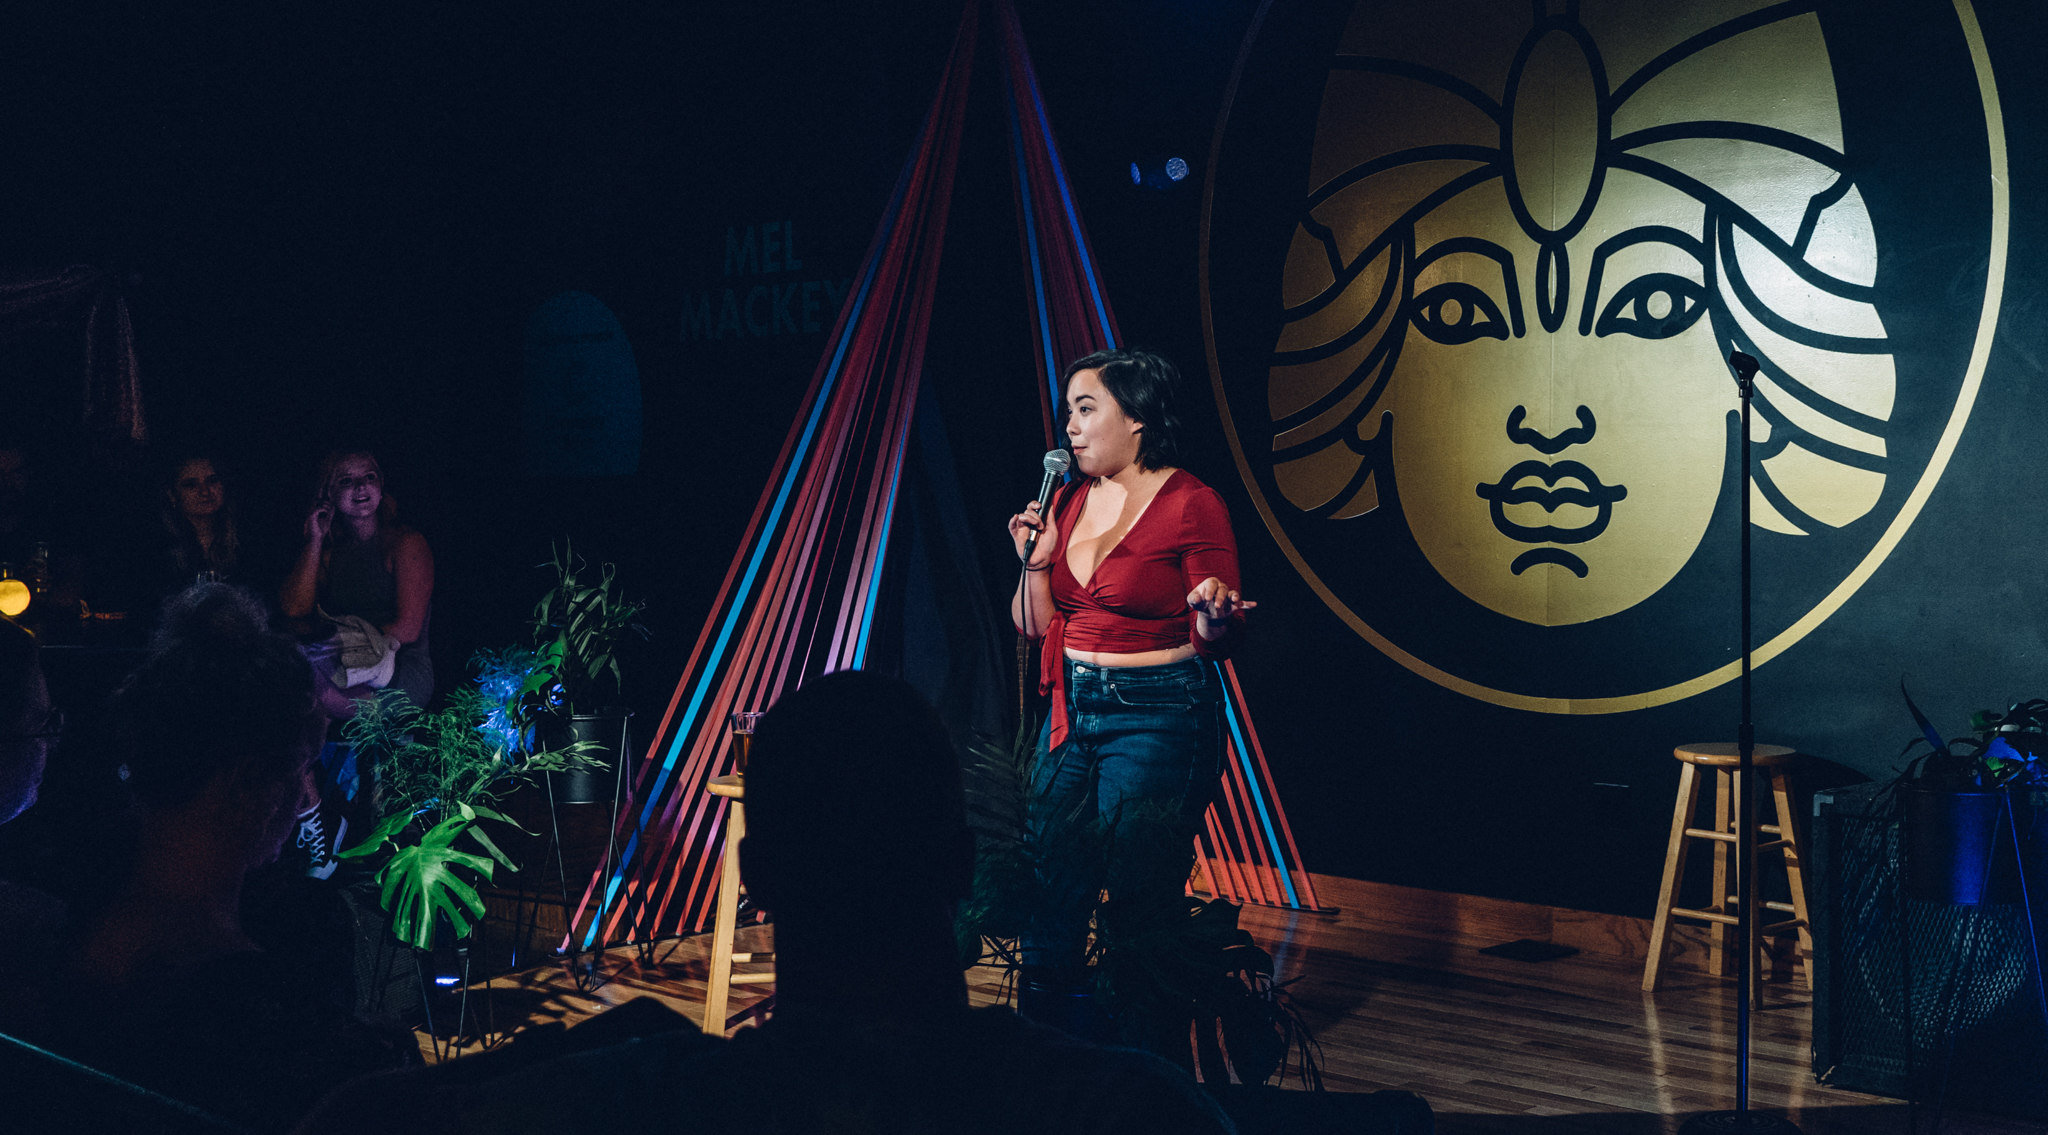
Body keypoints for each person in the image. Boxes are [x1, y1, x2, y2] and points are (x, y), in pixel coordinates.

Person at [295, 671, 1236, 1135]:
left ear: (764, 876)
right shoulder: (1123, 1108)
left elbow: (344, 1120)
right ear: (961, 866)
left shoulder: (664, 1097)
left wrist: (557, 1046)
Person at [25, 583, 413, 1130]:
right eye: (302, 767)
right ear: (254, 781)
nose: (304, 790)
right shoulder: (260, 1009)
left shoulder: (54, 920)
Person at [1006, 349, 1253, 1001]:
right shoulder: (1068, 498)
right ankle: (1050, 1047)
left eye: (1088, 409)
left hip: (1158, 712)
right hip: (1071, 708)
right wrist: (1035, 562)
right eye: (1069, 412)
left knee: (1139, 887)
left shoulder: (1191, 502)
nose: (1072, 427)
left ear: (1137, 417)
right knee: (1051, 876)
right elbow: (1033, 626)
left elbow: (1217, 636)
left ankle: (1144, 1058)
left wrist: (1213, 614)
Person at [280, 449, 435, 715]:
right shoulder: (332, 555)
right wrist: (315, 540)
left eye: (369, 477)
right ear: (328, 493)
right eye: (346, 480)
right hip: (348, 665)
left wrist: (337, 646)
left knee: (305, 691)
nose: (361, 486)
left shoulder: (406, 543)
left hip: (397, 670)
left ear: (381, 484)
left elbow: (408, 628)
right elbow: (294, 609)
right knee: (288, 669)